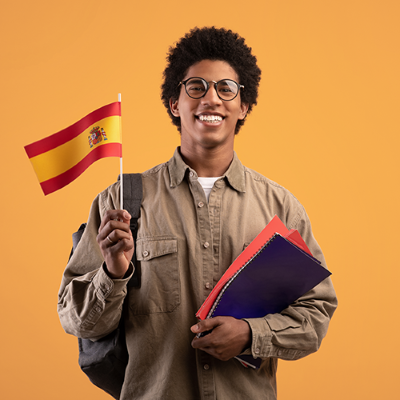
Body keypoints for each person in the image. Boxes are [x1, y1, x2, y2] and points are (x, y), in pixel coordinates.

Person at [58, 27, 337, 400]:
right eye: (196, 87)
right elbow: (79, 322)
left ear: (244, 105)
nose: (211, 99)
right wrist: (113, 271)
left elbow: (316, 315)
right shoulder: (121, 201)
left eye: (226, 88)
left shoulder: (281, 207)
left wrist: (252, 335)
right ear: (175, 103)